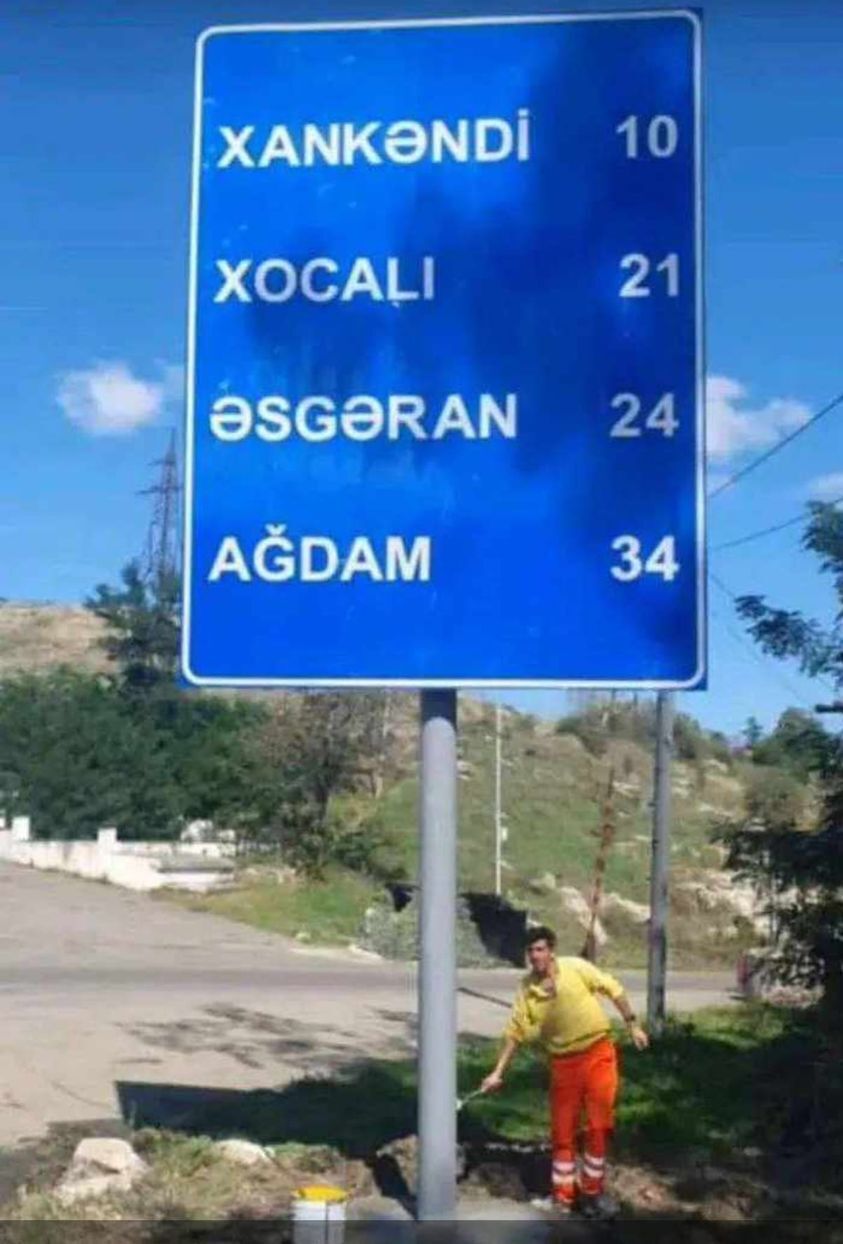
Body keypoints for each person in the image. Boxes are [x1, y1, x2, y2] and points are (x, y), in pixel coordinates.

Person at [479, 925, 649, 1218]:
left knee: (598, 1126)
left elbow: (613, 988)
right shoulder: (527, 989)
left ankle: (592, 1193)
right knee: (563, 1131)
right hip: (563, 1064)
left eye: (540, 949)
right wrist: (497, 1072)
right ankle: (563, 1198)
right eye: (531, 951)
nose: (535, 956)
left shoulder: (575, 968)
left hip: (597, 1054)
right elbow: (515, 1032)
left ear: (551, 951)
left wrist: (632, 1024)